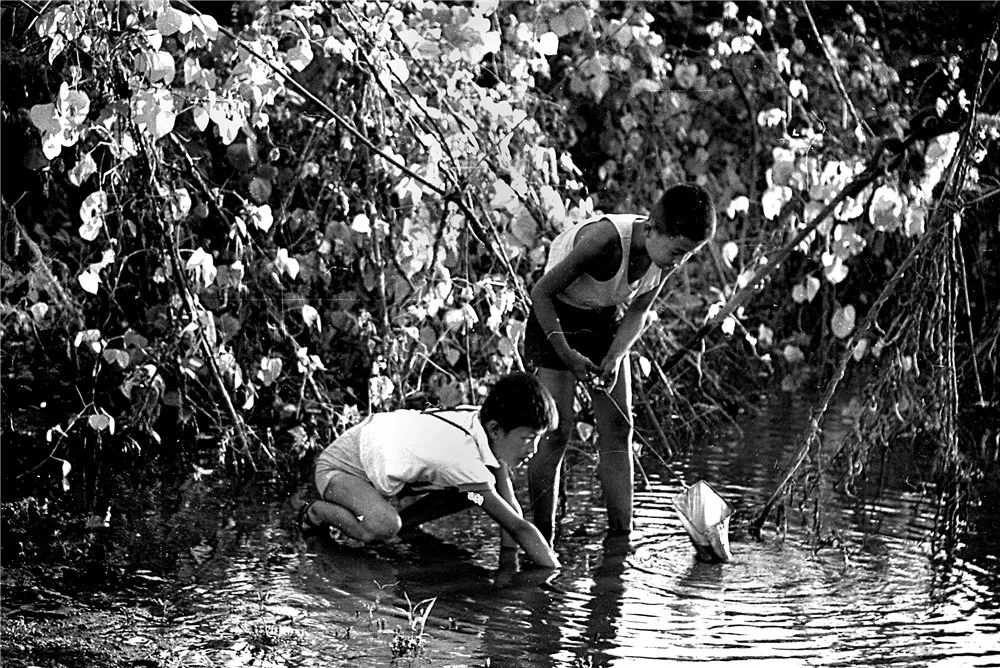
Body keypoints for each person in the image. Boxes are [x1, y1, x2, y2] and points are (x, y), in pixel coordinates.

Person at [524, 183, 717, 546]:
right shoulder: (605, 242)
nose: (679, 262)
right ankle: (541, 536)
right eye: (677, 251)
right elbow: (541, 293)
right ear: (653, 229)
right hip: (554, 318)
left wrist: (614, 357)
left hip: (602, 318)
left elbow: (639, 311)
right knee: (556, 431)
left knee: (618, 426)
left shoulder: (665, 257)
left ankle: (620, 539)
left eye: (688, 255)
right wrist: (568, 355)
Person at [299, 372, 562, 569]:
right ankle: (316, 512)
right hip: (339, 469)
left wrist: (509, 561)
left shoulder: (485, 428)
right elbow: (518, 527)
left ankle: (405, 526)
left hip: (375, 458)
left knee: (473, 493)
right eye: (528, 439)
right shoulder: (463, 456)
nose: (534, 449)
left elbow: (511, 511)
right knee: (383, 526)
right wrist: (553, 572)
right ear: (496, 430)